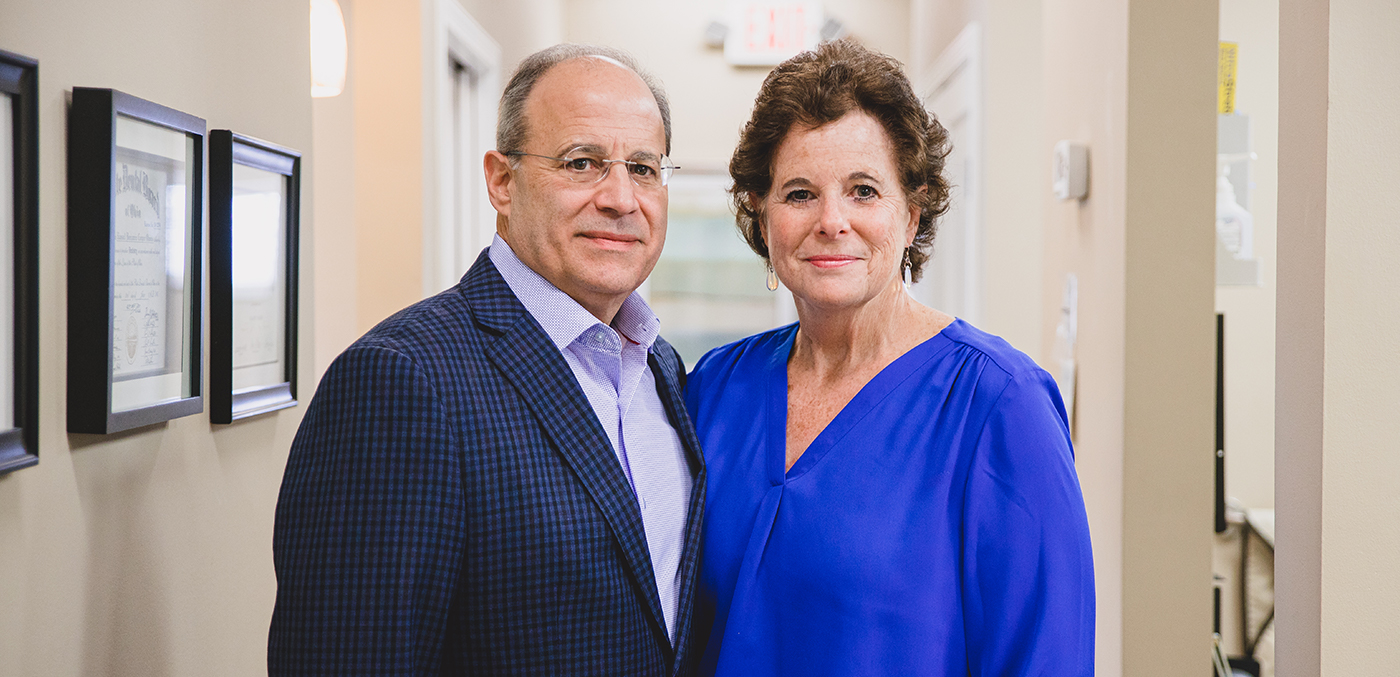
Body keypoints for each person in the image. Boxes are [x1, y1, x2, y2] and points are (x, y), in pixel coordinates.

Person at [269, 44, 705, 677]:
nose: (620, 198)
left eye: (642, 168)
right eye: (581, 163)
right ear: (502, 181)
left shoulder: (660, 368)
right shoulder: (402, 380)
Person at [684, 39, 1095, 675]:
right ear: (761, 216)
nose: (831, 220)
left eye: (864, 190)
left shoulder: (998, 406)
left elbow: (1043, 657)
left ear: (912, 213)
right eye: (798, 193)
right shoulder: (716, 388)